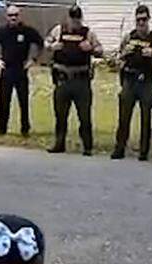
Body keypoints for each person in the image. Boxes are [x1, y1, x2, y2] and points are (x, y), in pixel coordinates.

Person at [112, 4, 152, 161]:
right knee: (124, 117)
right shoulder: (129, 37)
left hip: (146, 81)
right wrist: (125, 53)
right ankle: (119, 148)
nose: (141, 23)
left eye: (144, 20)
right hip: (130, 80)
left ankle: (144, 152)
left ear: (148, 19)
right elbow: (118, 57)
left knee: (145, 118)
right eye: (138, 20)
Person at [45, 5, 102, 155]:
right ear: (68, 17)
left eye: (77, 18)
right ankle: (59, 143)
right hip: (62, 79)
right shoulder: (59, 30)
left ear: (80, 18)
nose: (75, 21)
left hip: (81, 80)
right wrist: (52, 46)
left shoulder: (88, 33)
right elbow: (46, 42)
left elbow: (100, 51)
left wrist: (90, 48)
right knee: (60, 115)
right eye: (72, 18)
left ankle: (87, 146)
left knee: (84, 116)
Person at [0, 5, 43, 137]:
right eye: (11, 15)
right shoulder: (2, 31)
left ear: (19, 16)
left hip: (21, 70)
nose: (13, 18)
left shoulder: (27, 31)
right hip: (7, 69)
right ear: (6, 17)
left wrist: (33, 60)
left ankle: (25, 129)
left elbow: (41, 43)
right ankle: (2, 128)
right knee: (4, 100)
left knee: (23, 101)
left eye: (16, 15)